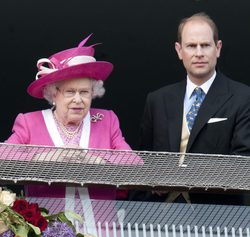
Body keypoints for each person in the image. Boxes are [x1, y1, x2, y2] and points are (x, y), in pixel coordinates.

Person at [137, 12, 250, 204]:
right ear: (179, 50)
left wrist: (180, 176)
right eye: (191, 46)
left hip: (218, 216)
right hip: (160, 216)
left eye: (205, 45)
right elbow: (144, 161)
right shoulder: (157, 100)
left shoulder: (243, 97)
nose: (199, 53)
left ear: (218, 48)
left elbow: (242, 164)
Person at [5, 34, 132, 201]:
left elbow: (133, 163)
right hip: (49, 223)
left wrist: (95, 160)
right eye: (70, 92)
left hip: (100, 223)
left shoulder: (107, 120)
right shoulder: (30, 122)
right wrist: (42, 158)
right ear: (53, 93)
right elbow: (3, 156)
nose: (78, 99)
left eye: (84, 92)